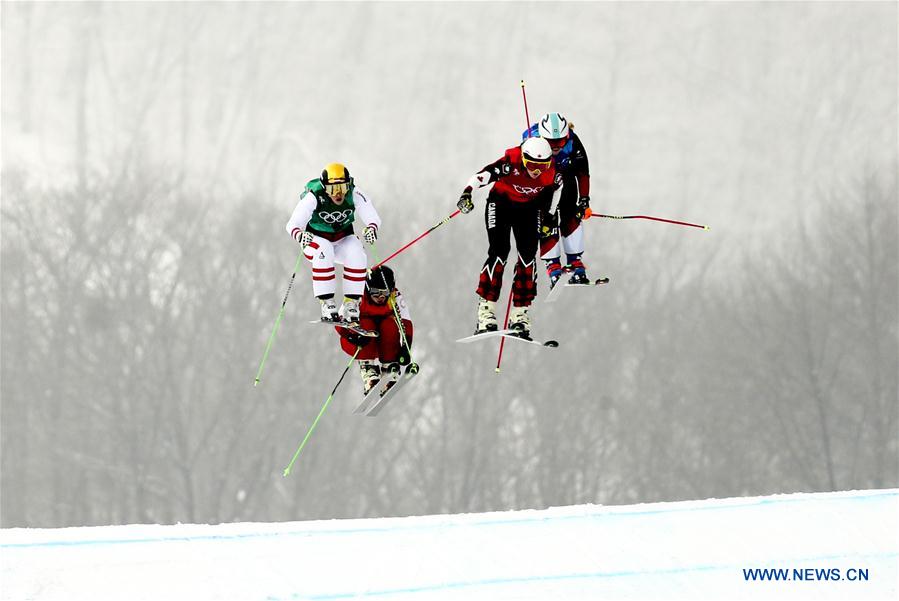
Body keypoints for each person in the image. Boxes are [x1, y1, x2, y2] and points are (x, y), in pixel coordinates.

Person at [457, 136, 561, 336]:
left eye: (542, 166)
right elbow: (481, 177)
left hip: (528, 209)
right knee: (499, 251)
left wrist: (549, 217)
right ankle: (486, 311)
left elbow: (557, 190)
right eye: (532, 164)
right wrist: (467, 194)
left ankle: (520, 313)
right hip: (500, 204)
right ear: (523, 159)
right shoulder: (510, 164)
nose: (536, 171)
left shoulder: (551, 174)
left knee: (528, 255)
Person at [286, 163, 381, 324]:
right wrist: (300, 235)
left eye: (342, 187)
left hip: (341, 238)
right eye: (332, 189)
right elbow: (292, 224)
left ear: (348, 185)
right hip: (316, 240)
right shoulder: (314, 196)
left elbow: (371, 215)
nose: (338, 193)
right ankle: (327, 303)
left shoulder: (354, 193)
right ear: (325, 188)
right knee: (324, 249)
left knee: (356, 251)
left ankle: (351, 304)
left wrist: (372, 228)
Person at [524, 112, 592, 287]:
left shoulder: (573, 141)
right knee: (548, 220)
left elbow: (583, 172)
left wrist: (584, 201)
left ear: (566, 136)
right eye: (550, 142)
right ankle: (553, 266)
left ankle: (575, 262)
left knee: (572, 214)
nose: (556, 147)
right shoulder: (531, 140)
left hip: (566, 180)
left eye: (560, 142)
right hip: (544, 186)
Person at [337, 265, 414, 396]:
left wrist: (406, 348)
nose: (380, 297)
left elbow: (406, 321)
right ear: (368, 288)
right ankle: (368, 371)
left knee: (389, 324)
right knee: (367, 324)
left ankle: (388, 368)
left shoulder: (394, 296)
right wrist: (351, 336)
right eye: (375, 292)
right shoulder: (357, 294)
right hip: (358, 341)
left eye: (384, 292)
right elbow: (339, 321)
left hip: (383, 343)